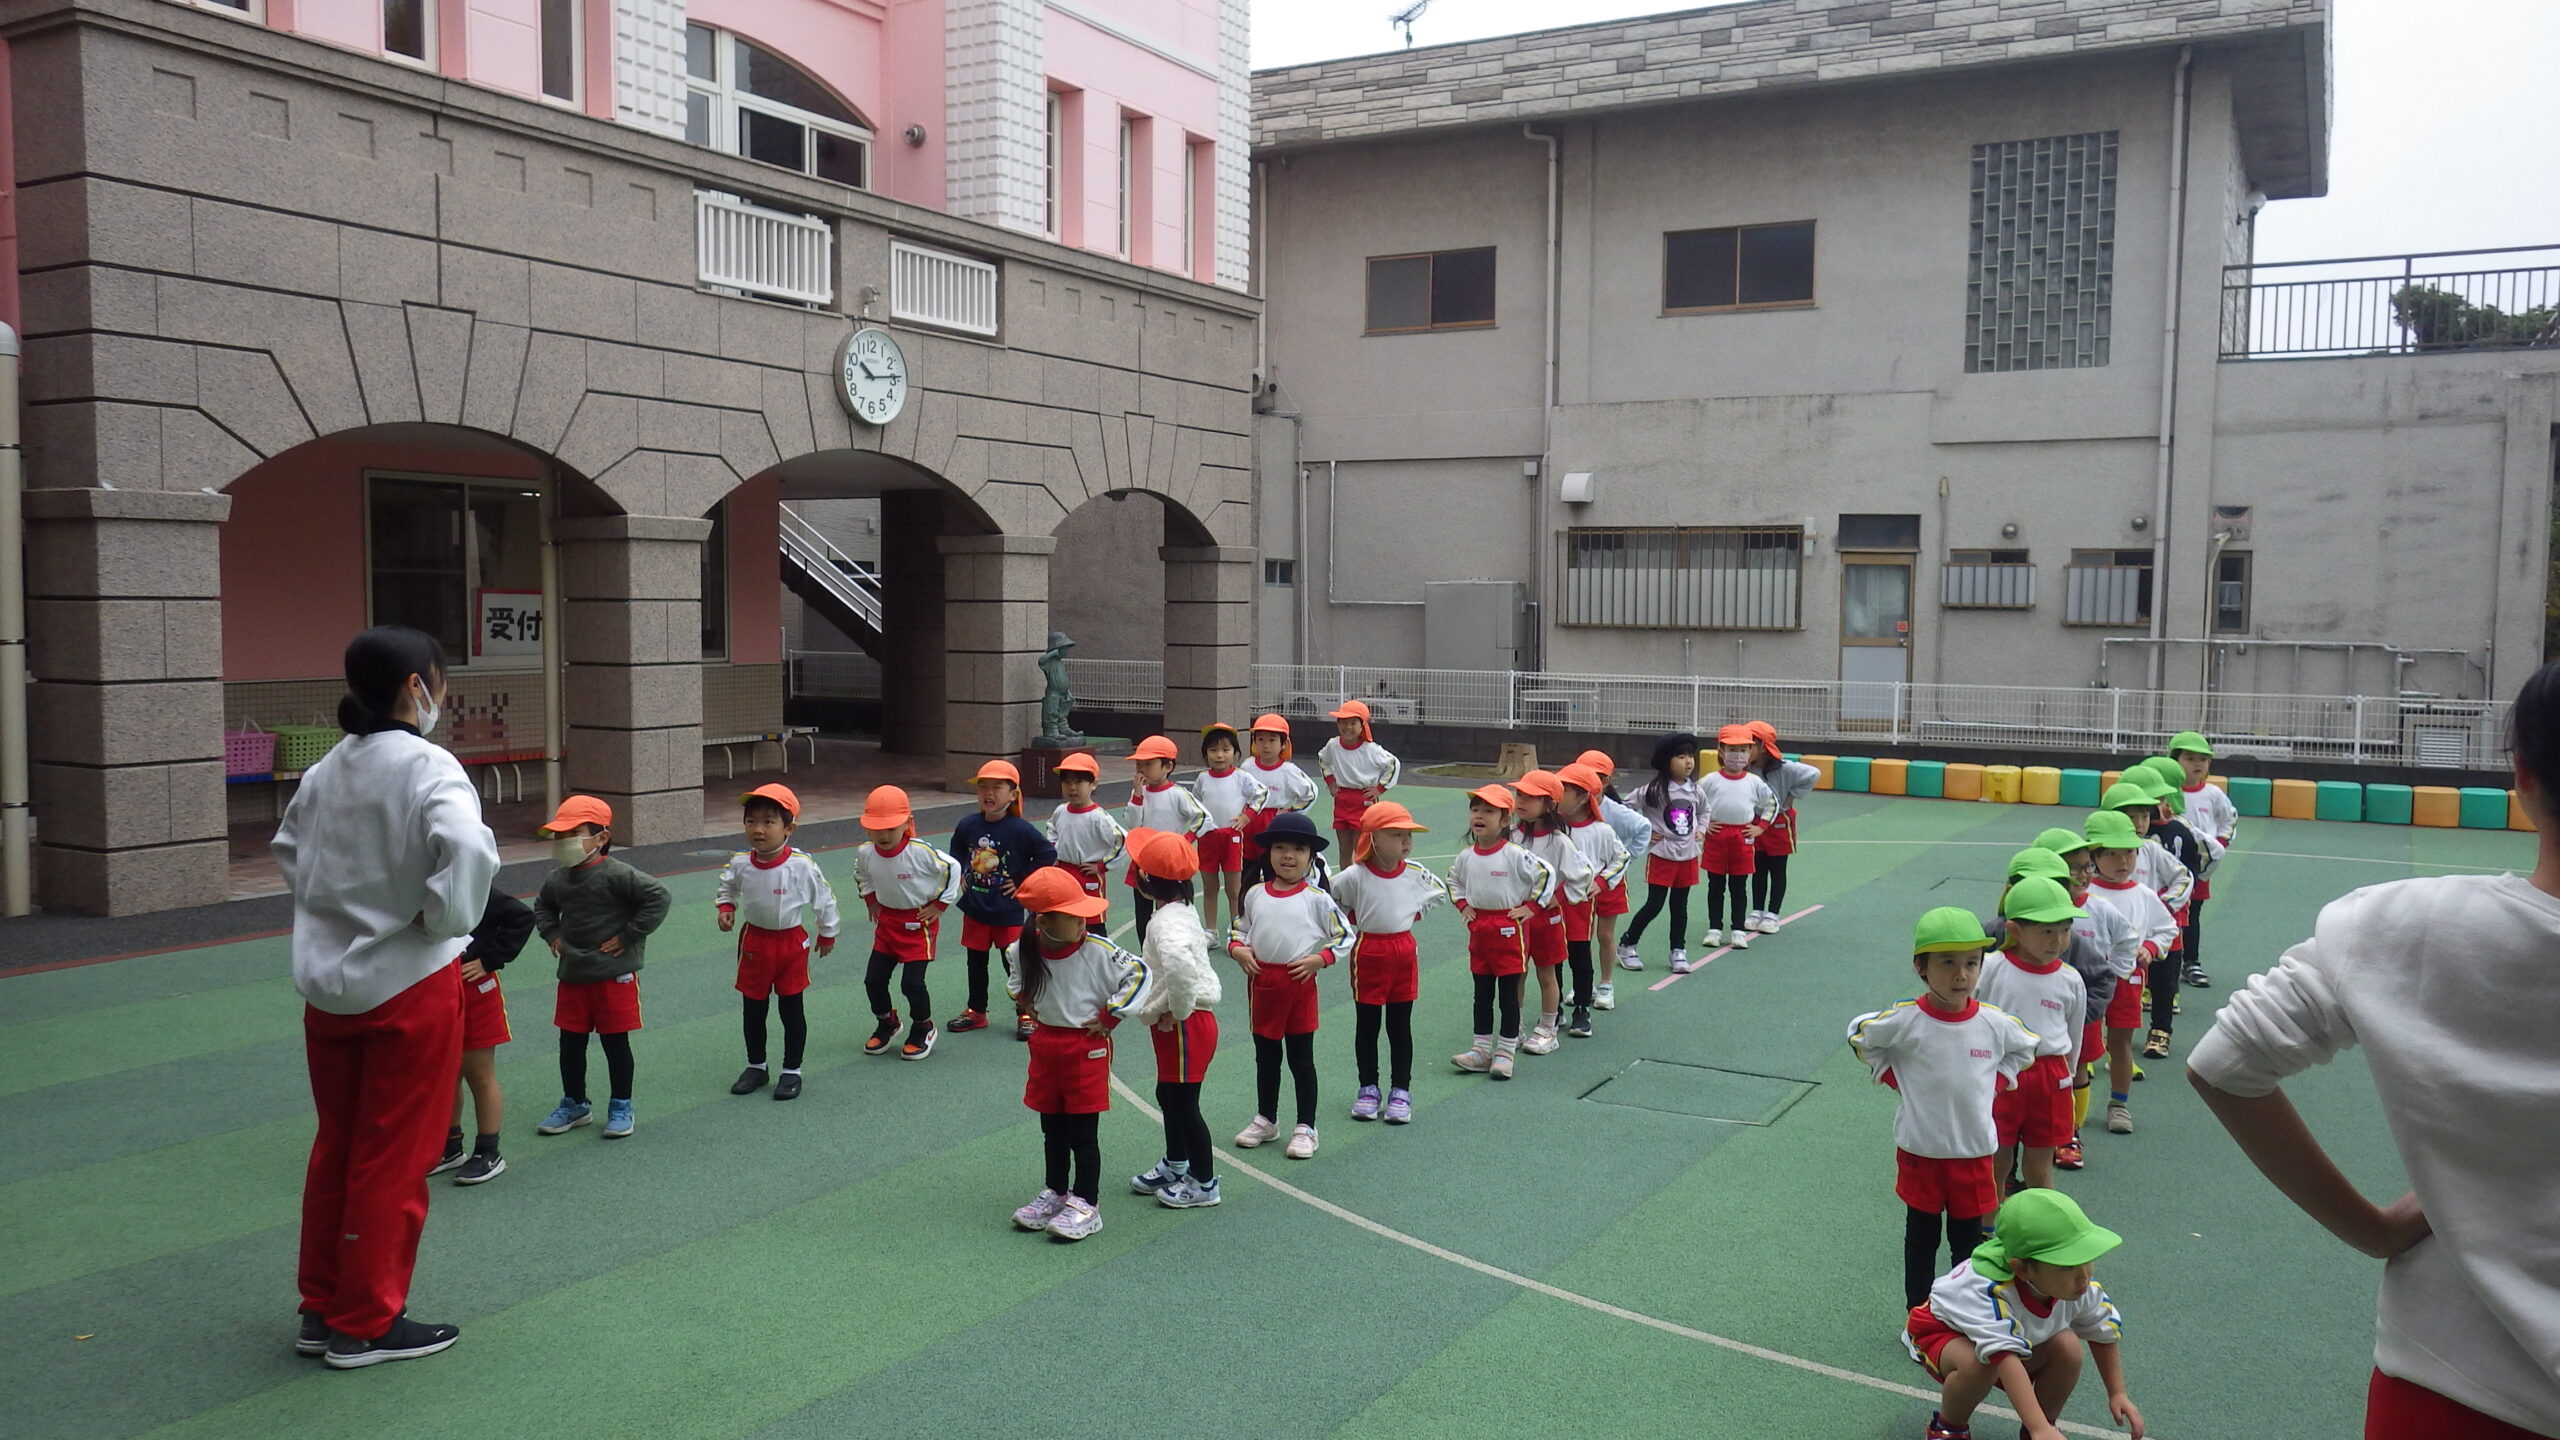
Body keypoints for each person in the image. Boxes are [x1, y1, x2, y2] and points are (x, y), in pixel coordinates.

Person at [2187, 662, 2560, 1440]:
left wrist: (2371, 1229)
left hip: (2451, 1385)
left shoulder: (2409, 925)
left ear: (2522, 773)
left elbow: (2226, 1064)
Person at [279, 625, 498, 1369]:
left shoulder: (327, 769)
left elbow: (289, 852)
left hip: (328, 986)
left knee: (338, 1147)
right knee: (395, 1156)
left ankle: (321, 1306)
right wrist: (440, 920)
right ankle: (367, 1321)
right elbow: (467, 852)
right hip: (410, 982)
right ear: (417, 685)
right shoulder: (429, 766)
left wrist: (337, 912)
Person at [1848, 908, 2039, 1313]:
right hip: (1921, 1154)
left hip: (1974, 1154)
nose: (1961, 975)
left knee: (1968, 1245)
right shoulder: (1906, 1019)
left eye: (1972, 963)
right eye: (1947, 963)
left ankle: (1963, 1314)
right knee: (1921, 1239)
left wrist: (1997, 1081)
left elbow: (2026, 1048)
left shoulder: (1994, 1023)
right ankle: (1918, 1316)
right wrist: (1895, 1078)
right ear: (1921, 967)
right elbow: (1861, 1035)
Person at [1904, 1189, 2139, 1440]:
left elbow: (2102, 1333)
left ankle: (2042, 1428)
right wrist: (2038, 1427)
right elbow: (2004, 1358)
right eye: (2067, 1266)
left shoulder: (2080, 1288)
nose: (2084, 1275)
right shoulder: (1990, 1291)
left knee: (2069, 1347)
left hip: (2010, 1335)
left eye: (2086, 1258)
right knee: (1979, 1365)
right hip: (1941, 1329)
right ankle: (1949, 1427)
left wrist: (2117, 1393)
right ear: (2022, 1269)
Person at [1008, 867, 1154, 1242]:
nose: (1082, 922)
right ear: (1044, 921)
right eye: (1073, 917)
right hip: (1046, 1045)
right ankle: (1056, 1192)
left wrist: (1111, 1014)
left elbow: (1139, 974)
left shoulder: (1098, 950)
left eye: (1082, 915)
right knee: (1052, 1128)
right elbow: (1016, 978)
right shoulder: (1022, 949)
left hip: (1085, 1049)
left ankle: (1087, 1202)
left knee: (1083, 1133)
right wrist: (1024, 1000)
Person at [533, 796, 672, 1142]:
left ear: (602, 838)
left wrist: (629, 936)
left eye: (573, 833)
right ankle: (575, 1103)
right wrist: (552, 934)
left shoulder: (617, 874)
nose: (563, 842)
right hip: (573, 974)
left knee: (615, 1042)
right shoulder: (557, 879)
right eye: (559, 835)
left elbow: (658, 897)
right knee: (570, 1042)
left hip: (614, 975)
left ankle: (621, 1106)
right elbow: (543, 907)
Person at [1226, 811, 1350, 1159]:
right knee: (1266, 1058)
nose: (1288, 856)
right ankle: (1266, 1119)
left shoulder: (1317, 898)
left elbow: (1344, 935)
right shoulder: (1255, 894)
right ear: (1268, 853)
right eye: (1280, 847)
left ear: (1311, 857)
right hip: (1262, 985)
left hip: (1298, 984)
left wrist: (1319, 959)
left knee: (1301, 1059)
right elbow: (1239, 929)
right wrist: (1237, 949)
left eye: (1298, 849)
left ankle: (1306, 1127)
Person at [715, 783, 839, 1100]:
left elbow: (823, 899)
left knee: (791, 1009)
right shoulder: (740, 862)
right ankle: (756, 1066)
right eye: (751, 821)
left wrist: (827, 932)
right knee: (753, 1009)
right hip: (754, 943)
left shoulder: (801, 865)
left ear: (788, 828)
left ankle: (792, 1071)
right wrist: (726, 908)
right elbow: (727, 887)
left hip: (790, 945)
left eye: (768, 822)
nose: (758, 829)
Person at [1328, 802, 1450, 1123]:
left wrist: (1412, 914)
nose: (1405, 842)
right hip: (1368, 950)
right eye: (1396, 834)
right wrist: (1352, 918)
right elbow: (1332, 898)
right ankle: (1368, 1088)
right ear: (1372, 838)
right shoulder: (1354, 876)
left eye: (1408, 835)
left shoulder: (1415, 874)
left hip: (1403, 951)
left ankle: (1401, 1090)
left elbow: (1439, 892)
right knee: (1367, 1025)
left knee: (1400, 1025)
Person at [1124, 829, 1227, 1208]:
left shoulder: (1166, 922)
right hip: (1182, 1021)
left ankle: (1204, 1182)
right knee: (1168, 1094)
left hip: (1186, 1022)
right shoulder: (1179, 910)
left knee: (1184, 1104)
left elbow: (1181, 967)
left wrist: (1176, 1010)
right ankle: (1176, 1162)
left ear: (1146, 880)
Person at [1976, 876, 2088, 1195]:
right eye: (2046, 931)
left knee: (2040, 1168)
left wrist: (2067, 1076)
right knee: (1996, 1161)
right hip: (2000, 1072)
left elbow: (2074, 1035)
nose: (2058, 940)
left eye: (2065, 929)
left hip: (2050, 1077)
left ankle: (2041, 1222)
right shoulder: (1990, 968)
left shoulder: (2071, 980)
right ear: (2014, 930)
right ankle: (1991, 1221)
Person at [1448, 785, 1560, 1081]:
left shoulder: (1514, 854)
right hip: (1480, 929)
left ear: (1505, 820)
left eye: (1488, 811)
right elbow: (1453, 880)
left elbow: (1545, 874)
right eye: (1475, 810)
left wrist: (1532, 907)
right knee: (1481, 994)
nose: (1479, 816)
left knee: (1508, 994)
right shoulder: (1466, 856)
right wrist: (1463, 906)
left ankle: (1505, 1052)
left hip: (1509, 929)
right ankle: (1481, 1050)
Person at [2078, 811, 2178, 1137]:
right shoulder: (2083, 895)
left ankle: (2118, 1103)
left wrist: (2150, 947)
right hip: (2087, 982)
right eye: (2111, 853)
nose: (2122, 861)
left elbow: (2167, 928)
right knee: (2080, 1043)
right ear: (2093, 858)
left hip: (2128, 979)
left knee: (2120, 1042)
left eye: (2129, 853)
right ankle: (2072, 1103)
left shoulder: (2144, 895)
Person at [428, 886, 534, 1186]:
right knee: (445, 1074)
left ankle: (488, 1151)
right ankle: (450, 1147)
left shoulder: (470, 886)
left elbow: (521, 917)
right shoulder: (419, 885)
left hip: (475, 991)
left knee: (478, 1073)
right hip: (437, 989)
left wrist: (489, 959)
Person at [851, 785, 965, 1061]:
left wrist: (940, 904)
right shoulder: (866, 853)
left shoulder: (920, 852)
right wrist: (871, 900)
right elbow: (862, 874)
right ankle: (887, 1022)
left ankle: (923, 1027)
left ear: (907, 823)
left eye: (891, 828)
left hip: (917, 924)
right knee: (873, 980)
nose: (883, 835)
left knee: (912, 984)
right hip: (887, 924)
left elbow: (953, 868)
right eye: (876, 828)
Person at [948, 760, 1056, 1038]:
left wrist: (1020, 880)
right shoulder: (967, 824)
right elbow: (956, 850)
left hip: (1007, 911)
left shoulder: (1020, 829)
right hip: (975, 908)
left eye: (997, 787)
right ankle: (976, 1011)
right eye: (983, 787)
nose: (989, 793)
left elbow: (1047, 854)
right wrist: (960, 872)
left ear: (1013, 794)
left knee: (1014, 963)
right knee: (975, 962)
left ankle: (1026, 1011)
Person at [2128, 763, 2210, 1061]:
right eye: (2133, 815)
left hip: (2163, 925)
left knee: (2164, 980)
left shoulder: (2164, 841)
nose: (2141, 821)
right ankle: (2117, 1034)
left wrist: (2163, 906)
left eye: (2144, 814)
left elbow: (2187, 874)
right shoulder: (2106, 848)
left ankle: (2160, 1030)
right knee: (2119, 982)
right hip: (2125, 929)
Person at [1509, 770, 1594, 1056]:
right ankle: (1514, 1026)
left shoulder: (1559, 841)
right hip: (1517, 917)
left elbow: (1581, 876)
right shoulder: (1511, 835)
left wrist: (1555, 899)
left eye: (1530, 797)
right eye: (1519, 794)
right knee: (1516, 974)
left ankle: (1548, 1029)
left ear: (1549, 804)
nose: (1521, 801)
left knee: (1547, 974)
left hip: (1546, 919)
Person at [1557, 763, 1631, 1036]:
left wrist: (1601, 882)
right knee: (1552, 957)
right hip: (1550, 903)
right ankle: (1553, 1009)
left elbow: (1621, 857)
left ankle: (1582, 1009)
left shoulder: (1601, 831)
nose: (1556, 795)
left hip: (1580, 903)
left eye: (1564, 790)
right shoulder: (1553, 828)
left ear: (1583, 796)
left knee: (1580, 954)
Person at [1619, 733, 1703, 972]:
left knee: (1680, 906)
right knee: (1655, 904)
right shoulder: (1652, 790)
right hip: (1662, 854)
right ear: (1666, 761)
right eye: (1681, 756)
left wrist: (1702, 829)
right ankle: (1627, 943)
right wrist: (1645, 831)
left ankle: (1678, 951)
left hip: (1688, 855)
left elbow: (1705, 811)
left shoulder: (1696, 790)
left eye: (1690, 756)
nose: (1688, 761)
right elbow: (1624, 809)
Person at [2164, 733, 2236, 990]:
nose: (2197, 764)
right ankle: (2161, 961)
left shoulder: (2213, 794)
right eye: (2189, 758)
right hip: (2166, 865)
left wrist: (2219, 845)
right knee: (2165, 911)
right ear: (2174, 761)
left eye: (2203, 759)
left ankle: (2191, 962)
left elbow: (2229, 819)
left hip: (2198, 867)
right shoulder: (2164, 792)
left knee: (2191, 914)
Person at [1697, 726, 1777, 951]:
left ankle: (1738, 931)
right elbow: (1691, 802)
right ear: (1721, 751)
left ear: (1750, 753)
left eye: (1743, 750)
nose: (1737, 755)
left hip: (1743, 837)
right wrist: (1703, 824)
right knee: (1715, 885)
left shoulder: (1754, 782)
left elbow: (1772, 804)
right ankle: (1714, 929)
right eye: (1732, 750)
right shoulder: (1710, 780)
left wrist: (1761, 827)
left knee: (1739, 886)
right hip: (1716, 837)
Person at [1578, 748, 1652, 995]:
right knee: (1581, 937)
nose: (1589, 782)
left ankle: (1606, 984)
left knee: (1605, 935)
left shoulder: (1615, 812)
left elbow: (1643, 828)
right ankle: (1582, 984)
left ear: (1606, 781)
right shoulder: (1569, 809)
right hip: (1579, 883)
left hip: (1609, 882)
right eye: (1583, 775)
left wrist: (1626, 860)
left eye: (1596, 777)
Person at [1124, 734, 1209, 936]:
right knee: (1142, 912)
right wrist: (1137, 797)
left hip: (1170, 861)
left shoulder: (1178, 794)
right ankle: (1146, 949)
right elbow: (1133, 825)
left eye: (1148, 764)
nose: (1142, 769)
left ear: (1167, 766)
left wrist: (1186, 840)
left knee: (1172, 908)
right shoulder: (1139, 793)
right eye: (1139, 764)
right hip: (1143, 859)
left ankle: (1175, 941)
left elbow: (1204, 817)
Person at [1745, 721, 1821, 934]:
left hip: (1779, 823)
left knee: (1777, 870)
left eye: (1749, 745)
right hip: (1755, 822)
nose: (1744, 750)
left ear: (1762, 746)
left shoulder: (1785, 768)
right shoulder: (1746, 769)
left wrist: (1792, 796)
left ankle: (1772, 914)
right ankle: (1756, 911)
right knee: (1758, 869)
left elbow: (1813, 773)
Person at [1045, 752, 1127, 950]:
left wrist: (1102, 866)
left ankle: (1103, 956)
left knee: (1092, 923)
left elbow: (1123, 841)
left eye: (1079, 782)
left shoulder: (1099, 817)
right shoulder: (1061, 811)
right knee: (1064, 918)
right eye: (1067, 782)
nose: (1072, 787)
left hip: (1087, 875)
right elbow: (1051, 829)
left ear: (1093, 784)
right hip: (1063, 873)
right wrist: (1054, 852)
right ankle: (1066, 955)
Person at [1192, 722, 1267, 935]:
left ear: (1235, 753)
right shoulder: (1202, 779)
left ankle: (1236, 929)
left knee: (1234, 889)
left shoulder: (1241, 777)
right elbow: (1195, 804)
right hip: (1207, 837)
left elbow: (1261, 794)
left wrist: (1246, 816)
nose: (1219, 755)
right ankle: (1211, 931)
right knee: (1210, 887)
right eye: (1213, 750)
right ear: (1205, 754)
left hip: (1232, 837)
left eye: (1226, 749)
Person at [1241, 713, 1320, 891]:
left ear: (1283, 744)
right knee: (1247, 872)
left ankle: (1276, 900)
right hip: (1249, 820)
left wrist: (1291, 811)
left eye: (1272, 740)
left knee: (1273, 869)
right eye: (1261, 739)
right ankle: (1246, 904)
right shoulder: (1247, 766)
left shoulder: (1289, 771)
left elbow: (1311, 793)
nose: (1266, 745)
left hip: (1272, 822)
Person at [1317, 699, 1400, 859]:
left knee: (1360, 847)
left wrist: (1380, 788)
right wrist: (1331, 782)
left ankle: (1361, 874)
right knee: (1344, 848)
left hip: (1364, 799)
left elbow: (1393, 764)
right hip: (1342, 799)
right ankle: (1345, 875)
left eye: (1353, 723)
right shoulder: (1333, 745)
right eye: (1343, 722)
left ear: (1362, 725)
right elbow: (1323, 759)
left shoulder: (1371, 749)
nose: (1348, 727)